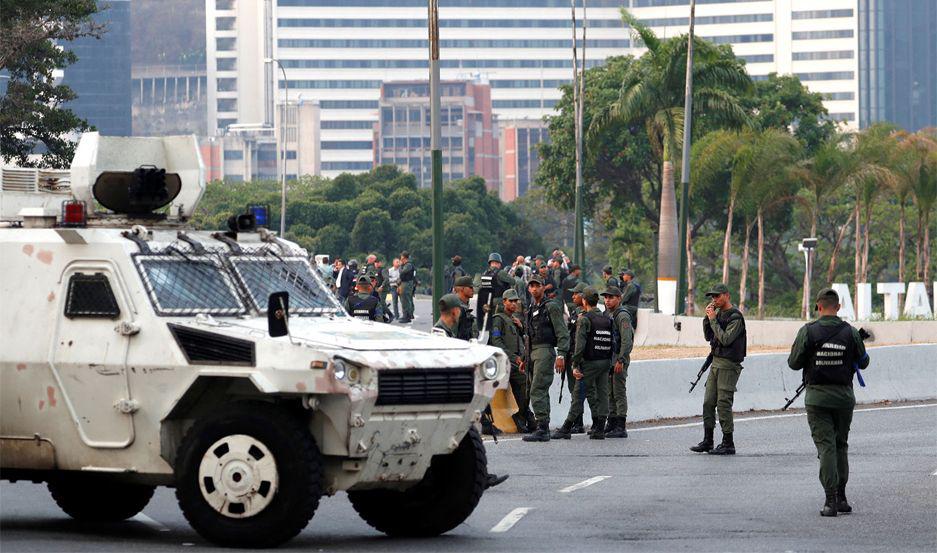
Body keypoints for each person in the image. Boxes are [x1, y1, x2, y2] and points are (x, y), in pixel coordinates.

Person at [787, 288, 869, 517]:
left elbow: (793, 363)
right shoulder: (850, 332)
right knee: (841, 445)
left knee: (826, 447)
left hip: (817, 399)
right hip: (844, 398)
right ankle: (841, 497)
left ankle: (830, 500)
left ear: (819, 307)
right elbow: (864, 363)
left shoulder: (808, 331)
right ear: (838, 307)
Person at [690, 283, 747, 455]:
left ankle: (728, 442)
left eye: (717, 296)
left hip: (728, 365)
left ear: (727, 295)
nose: (714, 299)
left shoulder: (735, 317)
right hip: (715, 362)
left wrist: (713, 319)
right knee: (708, 402)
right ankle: (708, 440)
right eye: (712, 297)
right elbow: (709, 336)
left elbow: (726, 339)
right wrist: (707, 318)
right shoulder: (718, 314)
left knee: (723, 403)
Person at [551, 287, 612, 440]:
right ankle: (600, 428)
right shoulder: (606, 319)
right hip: (605, 362)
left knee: (578, 394)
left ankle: (567, 427)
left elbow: (579, 346)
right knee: (602, 394)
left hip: (589, 364)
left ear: (584, 301)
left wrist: (575, 364)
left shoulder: (584, 319)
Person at [522, 275, 570, 442]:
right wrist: (524, 358)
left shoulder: (551, 306)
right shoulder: (531, 308)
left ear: (543, 287)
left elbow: (562, 333)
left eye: (537, 285)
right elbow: (528, 335)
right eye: (531, 286)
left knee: (537, 389)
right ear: (529, 288)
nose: (534, 289)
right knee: (538, 390)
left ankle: (542, 428)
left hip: (544, 351)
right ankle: (544, 426)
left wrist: (561, 354)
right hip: (532, 352)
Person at [490, 289, 534, 434]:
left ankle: (525, 415)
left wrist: (521, 327)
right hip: (504, 361)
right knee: (524, 382)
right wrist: (514, 357)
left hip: (516, 361)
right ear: (504, 302)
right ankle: (522, 417)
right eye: (511, 301)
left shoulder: (514, 320)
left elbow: (523, 339)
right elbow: (496, 342)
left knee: (526, 386)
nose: (514, 304)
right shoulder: (498, 319)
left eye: (516, 301)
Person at [552, 281, 588, 438]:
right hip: (571, 355)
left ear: (583, 296)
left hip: (578, 357)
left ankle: (578, 423)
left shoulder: (585, 314)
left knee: (577, 391)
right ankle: (578, 422)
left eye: (576, 294)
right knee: (574, 390)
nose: (573, 296)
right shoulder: (575, 312)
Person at [601, 286, 634, 439]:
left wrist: (621, 359)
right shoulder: (608, 314)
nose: (607, 300)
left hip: (619, 359)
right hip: (609, 359)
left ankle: (621, 426)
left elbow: (627, 340)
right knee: (610, 392)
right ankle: (612, 422)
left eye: (611, 297)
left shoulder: (622, 316)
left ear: (619, 299)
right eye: (606, 297)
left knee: (619, 392)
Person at [476, 253, 515, 331]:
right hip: (499, 302)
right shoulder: (500, 273)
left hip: (487, 303)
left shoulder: (485, 273)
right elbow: (513, 281)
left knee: (491, 323)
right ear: (498, 263)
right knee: (501, 323)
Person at [398, 251, 416, 323]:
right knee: (404, 299)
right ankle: (406, 315)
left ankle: (407, 316)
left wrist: (400, 266)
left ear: (403, 257)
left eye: (401, 257)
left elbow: (402, 272)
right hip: (404, 283)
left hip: (407, 283)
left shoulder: (408, 265)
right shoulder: (406, 265)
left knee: (405, 299)